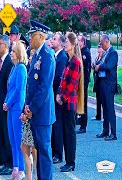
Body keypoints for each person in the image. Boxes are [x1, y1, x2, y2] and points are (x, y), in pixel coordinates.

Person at [21, 20, 55, 180]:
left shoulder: (47, 56)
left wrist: (32, 108)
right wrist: (26, 106)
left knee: (44, 152)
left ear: (41, 36)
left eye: (32, 35)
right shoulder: (36, 55)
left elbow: (44, 87)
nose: (30, 39)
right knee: (39, 150)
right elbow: (31, 85)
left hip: (42, 112)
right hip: (34, 111)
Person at [56, 32, 84, 172]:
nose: (65, 43)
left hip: (69, 103)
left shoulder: (76, 62)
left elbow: (72, 84)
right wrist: (59, 94)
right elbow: (63, 82)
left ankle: (71, 162)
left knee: (70, 133)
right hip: (65, 102)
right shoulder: (69, 60)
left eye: (67, 41)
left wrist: (62, 97)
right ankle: (68, 161)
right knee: (66, 132)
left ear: (73, 44)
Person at [3, 41, 28, 180]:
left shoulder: (21, 68)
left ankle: (22, 169)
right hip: (10, 106)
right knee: (12, 139)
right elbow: (10, 87)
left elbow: (19, 90)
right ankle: (15, 166)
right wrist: (6, 102)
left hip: (17, 107)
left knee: (19, 140)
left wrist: (9, 102)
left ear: (18, 53)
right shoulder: (14, 67)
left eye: (13, 51)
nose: (11, 53)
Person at [0, 35, 13, 175]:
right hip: (0, 103)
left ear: (6, 45)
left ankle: (10, 163)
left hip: (7, 104)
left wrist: (7, 102)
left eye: (0, 44)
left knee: (8, 135)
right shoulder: (1, 61)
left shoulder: (9, 61)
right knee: (2, 132)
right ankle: (4, 161)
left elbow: (9, 86)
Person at [95, 34, 118, 141]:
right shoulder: (104, 53)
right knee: (104, 107)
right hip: (102, 83)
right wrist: (97, 64)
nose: (101, 45)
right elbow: (99, 63)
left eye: (102, 43)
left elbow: (109, 66)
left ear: (107, 42)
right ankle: (105, 131)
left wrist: (99, 66)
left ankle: (113, 133)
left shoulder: (113, 53)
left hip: (109, 84)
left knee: (110, 108)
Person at [50, 32, 67, 164]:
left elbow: (58, 78)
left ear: (60, 43)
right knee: (54, 124)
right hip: (52, 95)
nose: (52, 41)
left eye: (54, 39)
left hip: (57, 95)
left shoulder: (62, 57)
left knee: (58, 125)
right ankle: (54, 151)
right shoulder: (55, 56)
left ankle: (58, 153)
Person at [21, 50, 37, 180]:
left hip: (35, 114)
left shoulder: (37, 72)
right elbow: (27, 93)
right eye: (30, 55)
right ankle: (29, 177)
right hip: (27, 113)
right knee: (25, 147)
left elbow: (38, 94)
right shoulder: (29, 70)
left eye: (33, 55)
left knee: (35, 149)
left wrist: (29, 111)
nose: (31, 58)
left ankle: (36, 176)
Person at [76, 34, 92, 134]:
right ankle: (80, 120)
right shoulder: (80, 51)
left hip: (83, 83)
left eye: (78, 40)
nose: (77, 42)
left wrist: (84, 83)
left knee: (84, 103)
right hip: (79, 82)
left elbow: (86, 70)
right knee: (79, 102)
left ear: (82, 42)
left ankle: (83, 125)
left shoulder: (85, 52)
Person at [91, 43, 104, 121]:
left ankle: (103, 116)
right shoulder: (97, 58)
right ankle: (98, 115)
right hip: (97, 80)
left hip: (101, 80)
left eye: (100, 47)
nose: (98, 49)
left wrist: (97, 67)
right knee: (98, 99)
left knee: (103, 99)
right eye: (98, 47)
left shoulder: (103, 58)